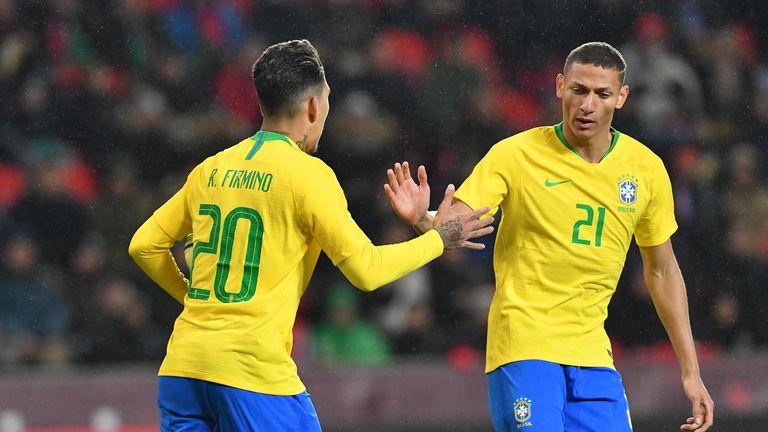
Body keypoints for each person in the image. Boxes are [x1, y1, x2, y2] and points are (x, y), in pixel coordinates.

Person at [128, 39, 493, 431]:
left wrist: (196, 302)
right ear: (314, 105)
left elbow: (144, 246)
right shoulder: (306, 175)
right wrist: (438, 239)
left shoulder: (211, 169)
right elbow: (366, 271)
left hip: (183, 368)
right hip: (250, 372)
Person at [384, 42, 714, 432]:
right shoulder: (516, 155)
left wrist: (691, 372)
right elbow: (458, 220)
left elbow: (662, 273)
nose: (587, 105)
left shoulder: (646, 170)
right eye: (578, 90)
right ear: (560, 86)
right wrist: (424, 218)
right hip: (525, 348)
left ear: (621, 97)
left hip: (593, 356)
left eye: (602, 94)